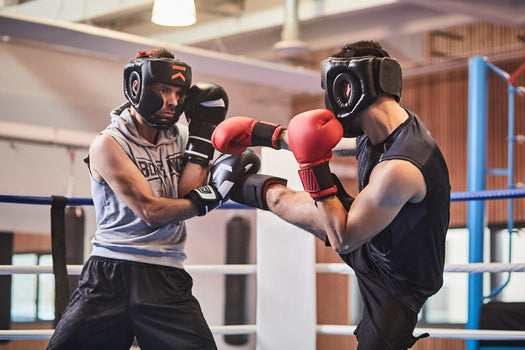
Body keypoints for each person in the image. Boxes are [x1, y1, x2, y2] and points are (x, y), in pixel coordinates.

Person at [212, 40, 451, 349]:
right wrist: (264, 134)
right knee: (278, 199)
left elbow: (344, 238)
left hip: (397, 283)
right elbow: (326, 141)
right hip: (373, 234)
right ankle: (222, 178)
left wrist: (312, 166)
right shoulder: (382, 128)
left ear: (348, 87)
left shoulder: (401, 166)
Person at [47, 48, 260, 350]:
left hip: (167, 277)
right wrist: (206, 201)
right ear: (137, 87)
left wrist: (202, 140)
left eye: (178, 92)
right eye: (164, 90)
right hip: (111, 274)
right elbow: (151, 211)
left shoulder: (183, 137)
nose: (173, 101)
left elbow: (186, 196)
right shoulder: (108, 144)